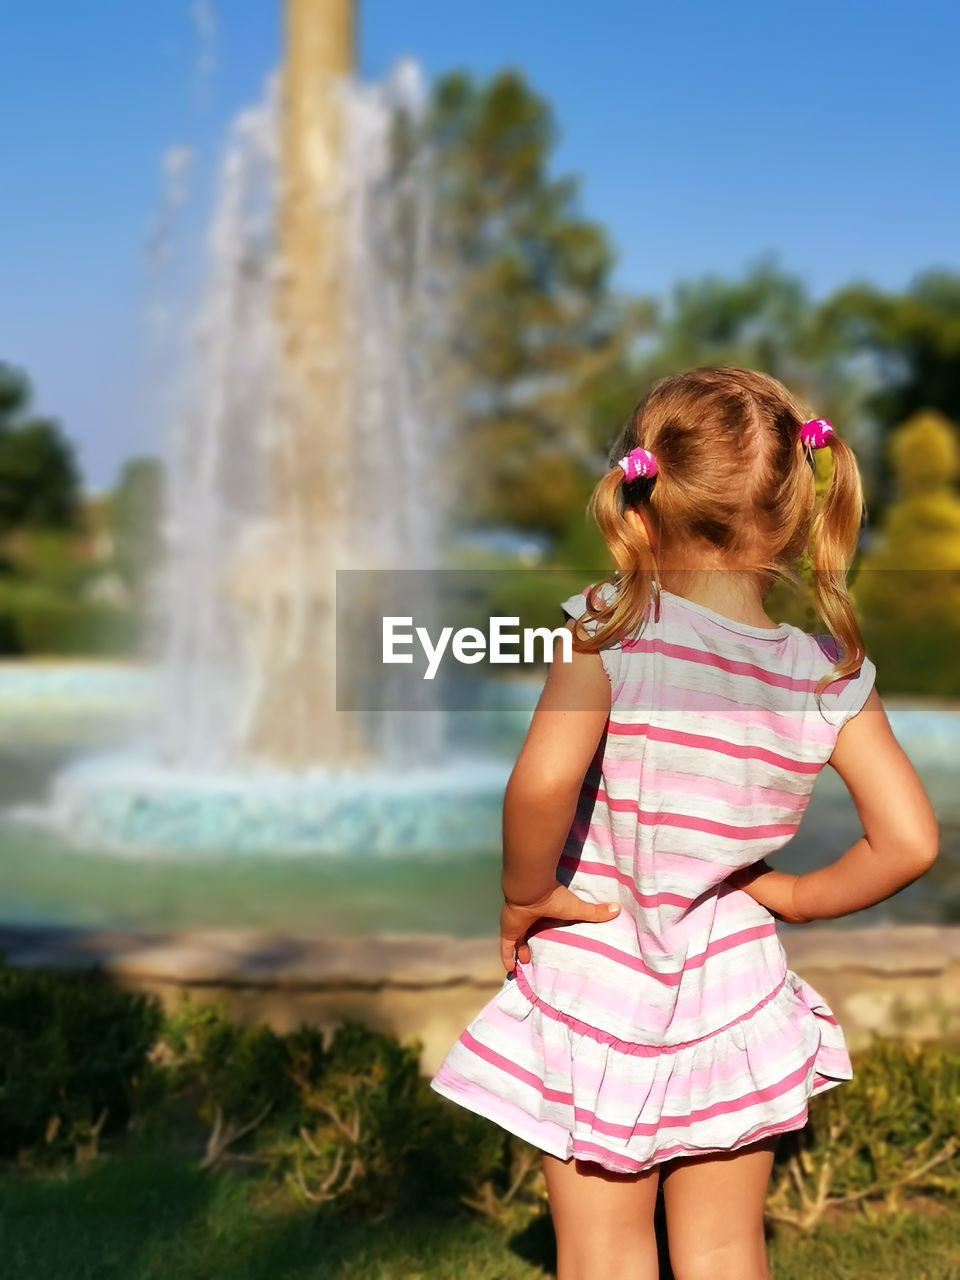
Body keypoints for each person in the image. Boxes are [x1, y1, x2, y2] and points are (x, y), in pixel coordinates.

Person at [429, 367, 940, 1280]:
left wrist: (525, 896)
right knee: (719, 1246)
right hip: (735, 988)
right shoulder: (828, 674)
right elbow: (910, 841)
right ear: (793, 514)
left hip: (597, 980)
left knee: (602, 1248)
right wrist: (797, 898)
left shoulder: (607, 629)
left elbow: (541, 784)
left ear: (642, 492)